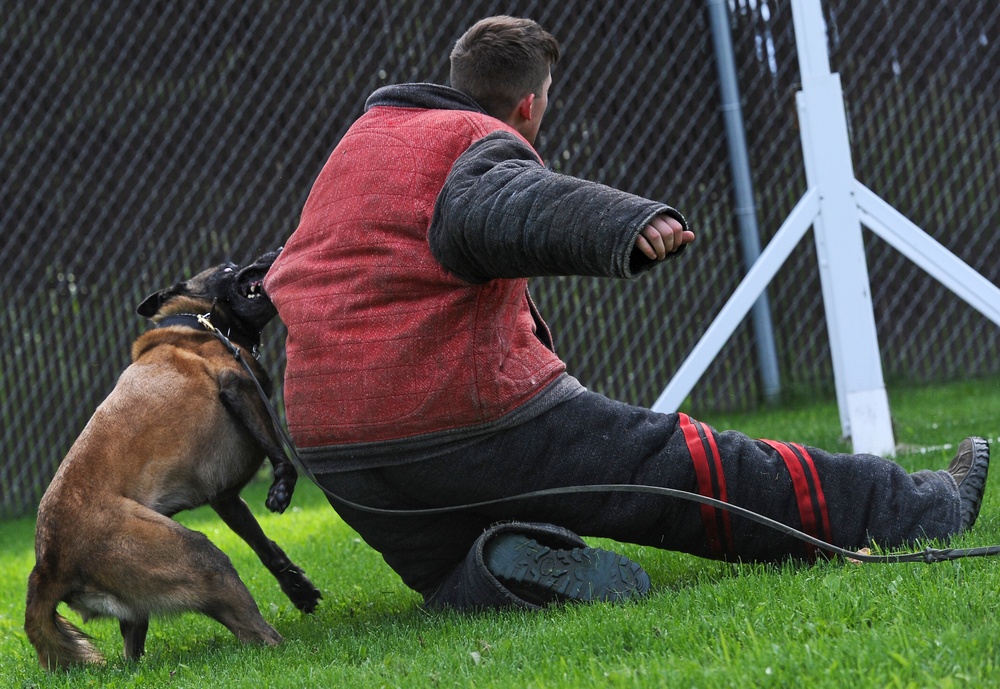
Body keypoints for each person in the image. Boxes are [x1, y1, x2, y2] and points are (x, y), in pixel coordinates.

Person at [264, 15, 990, 610]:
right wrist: (624, 223)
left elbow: (301, 264)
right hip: (454, 414)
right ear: (530, 104)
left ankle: (484, 576)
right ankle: (920, 508)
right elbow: (506, 205)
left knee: (454, 557)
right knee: (685, 465)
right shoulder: (472, 145)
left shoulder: (359, 148)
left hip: (339, 453)